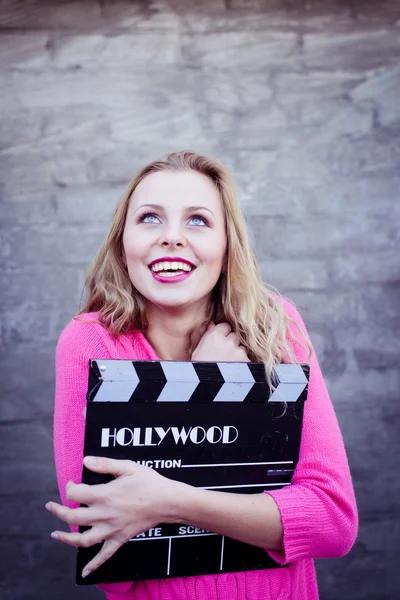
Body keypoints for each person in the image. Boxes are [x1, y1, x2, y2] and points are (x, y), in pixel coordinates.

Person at [46, 150, 358, 600]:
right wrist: (204, 390)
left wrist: (167, 500)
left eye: (197, 221)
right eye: (150, 218)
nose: (172, 238)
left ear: (228, 244)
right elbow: (108, 563)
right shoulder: (92, 343)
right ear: (123, 241)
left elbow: (331, 522)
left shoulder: (275, 325)